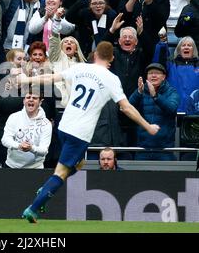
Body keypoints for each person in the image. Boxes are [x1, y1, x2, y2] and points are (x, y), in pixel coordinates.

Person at [18, 41, 160, 223]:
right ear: (112, 58)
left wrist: (27, 80)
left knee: (79, 163)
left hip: (64, 126)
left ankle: (45, 190)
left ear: (95, 55)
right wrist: (148, 126)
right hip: (80, 133)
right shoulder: (111, 78)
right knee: (61, 173)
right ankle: (35, 207)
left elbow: (52, 78)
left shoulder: (80, 68)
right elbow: (126, 108)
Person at [129, 63, 180, 160]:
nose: (153, 75)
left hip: (165, 149)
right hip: (142, 148)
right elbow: (128, 108)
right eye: (150, 73)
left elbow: (172, 108)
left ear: (164, 77)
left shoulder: (171, 92)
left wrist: (155, 96)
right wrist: (138, 93)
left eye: (157, 73)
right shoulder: (141, 91)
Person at [1, 88, 52, 168]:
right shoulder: (13, 117)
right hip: (11, 166)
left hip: (35, 168)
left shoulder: (46, 124)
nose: (31, 100)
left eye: (34, 98)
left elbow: (44, 150)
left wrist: (31, 148)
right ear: (24, 101)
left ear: (40, 102)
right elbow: (5, 140)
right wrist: (19, 146)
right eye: (28, 97)